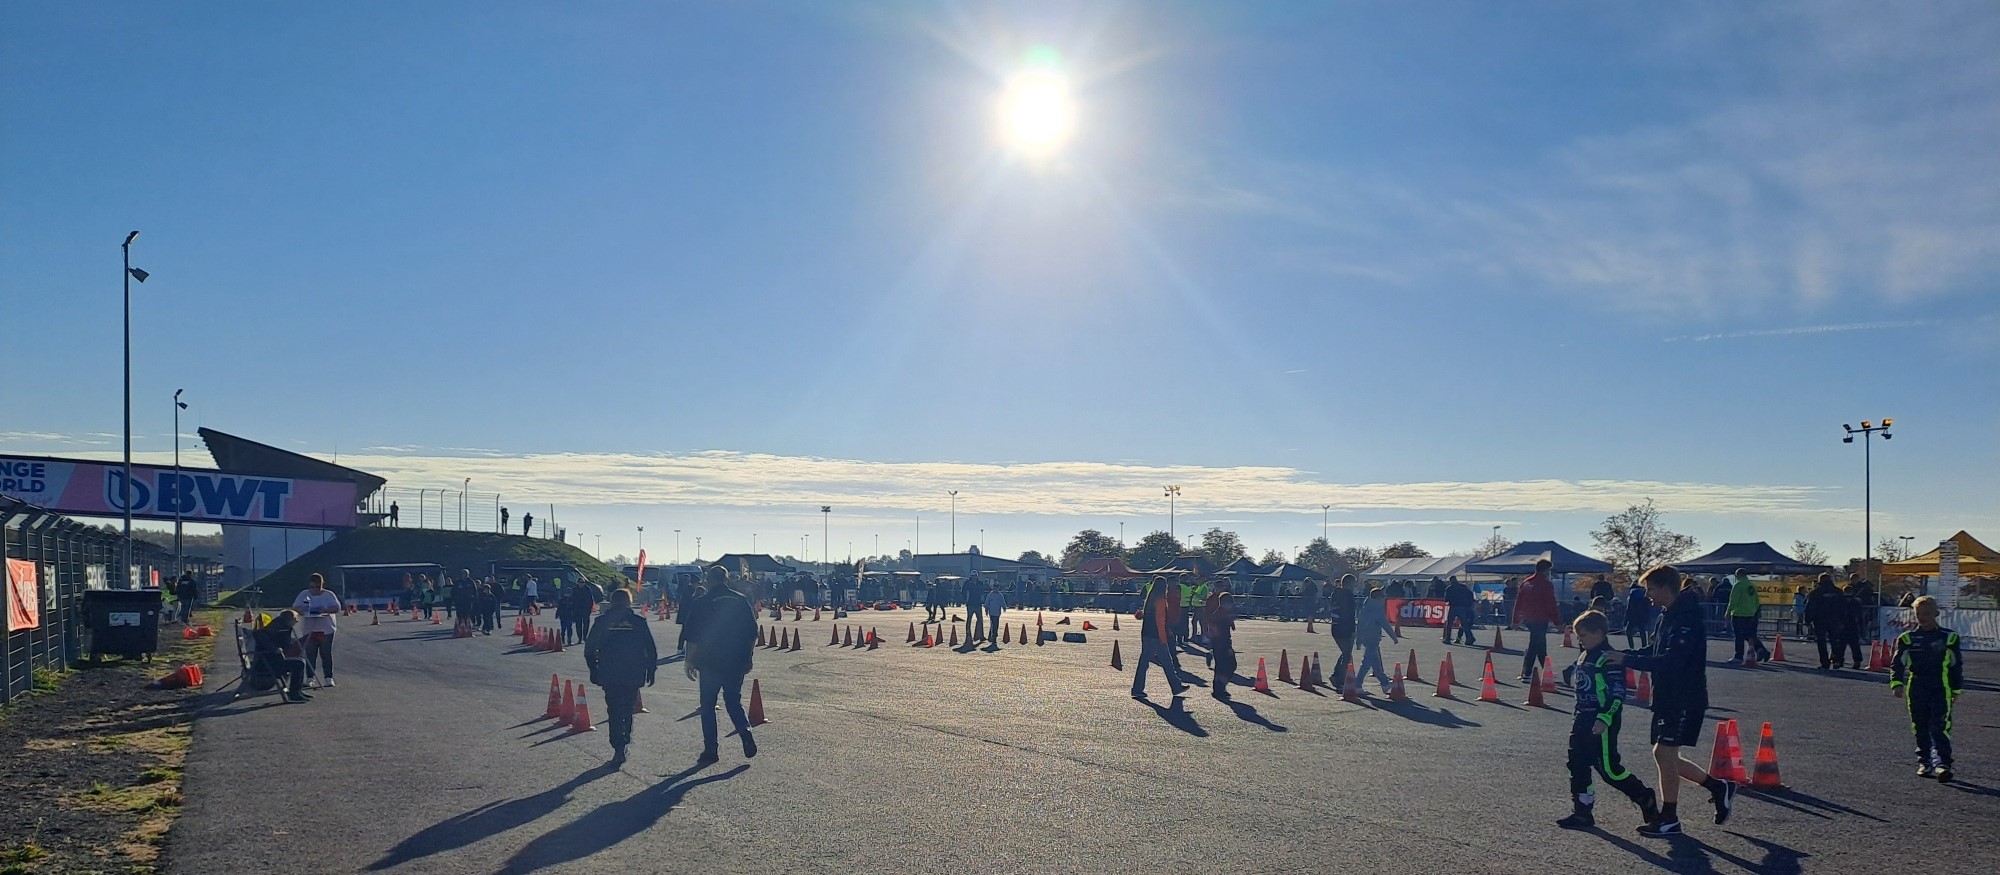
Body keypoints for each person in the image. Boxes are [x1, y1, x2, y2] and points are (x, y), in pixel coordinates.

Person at [1604, 565, 1735, 838]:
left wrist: (1627, 660)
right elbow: (1654, 650)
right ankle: (1718, 787)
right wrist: (1619, 655)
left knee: (1664, 754)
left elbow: (1672, 661)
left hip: (1684, 698)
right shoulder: (1668, 615)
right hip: (1667, 697)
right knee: (1664, 755)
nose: (1647, 595)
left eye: (1650, 589)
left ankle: (1670, 818)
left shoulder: (1686, 618)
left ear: (1665, 588)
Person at [1557, 610, 1659, 830]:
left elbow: (1617, 694)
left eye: (1583, 635)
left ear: (1599, 633)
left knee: (1609, 769)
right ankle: (1582, 812)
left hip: (1601, 720)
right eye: (1577, 636)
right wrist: (1569, 672)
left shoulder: (1608, 658)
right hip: (1582, 717)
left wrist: (1605, 718)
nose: (1579, 640)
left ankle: (1644, 797)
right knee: (1577, 763)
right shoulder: (1585, 654)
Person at [682, 566, 758, 767]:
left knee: (708, 706)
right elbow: (752, 633)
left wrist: (689, 660)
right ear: (726, 579)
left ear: (708, 580)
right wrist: (748, 657)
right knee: (733, 701)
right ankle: (745, 732)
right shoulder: (740, 600)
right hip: (735, 660)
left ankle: (711, 750)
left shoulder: (702, 602)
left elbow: (692, 636)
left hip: (710, 661)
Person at [1891, 596, 1964, 782]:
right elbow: (1897, 663)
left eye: (1926, 614)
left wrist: (1956, 690)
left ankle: (1942, 764)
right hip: (1917, 686)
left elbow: (1956, 666)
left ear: (1936, 614)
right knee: (1920, 725)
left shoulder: (1949, 637)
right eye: (1918, 614)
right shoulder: (1907, 638)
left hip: (1941, 687)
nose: (1922, 617)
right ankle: (1925, 761)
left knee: (1940, 725)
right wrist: (1897, 683)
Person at [585, 587, 658, 763]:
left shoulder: (602, 621)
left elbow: (589, 649)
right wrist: (651, 670)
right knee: (628, 708)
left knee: (613, 708)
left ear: (611, 602)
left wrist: (593, 669)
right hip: (633, 671)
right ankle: (624, 739)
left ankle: (617, 743)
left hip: (609, 670)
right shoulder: (638, 622)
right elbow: (650, 648)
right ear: (629, 602)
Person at [1131, 576, 1187, 701]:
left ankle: (1138, 688)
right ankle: (1175, 686)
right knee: (1167, 661)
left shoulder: (1149, 600)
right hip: (1156, 635)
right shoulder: (1161, 600)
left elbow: (1144, 615)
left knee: (1145, 662)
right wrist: (1163, 637)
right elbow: (1160, 620)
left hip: (1146, 633)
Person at [1515, 559, 1561, 683]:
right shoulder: (1546, 585)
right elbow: (1551, 604)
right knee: (1534, 645)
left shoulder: (1526, 582)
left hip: (1528, 618)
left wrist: (1516, 619)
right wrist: (1557, 622)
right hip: (1540, 618)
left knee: (1540, 645)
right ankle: (1527, 673)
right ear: (1546, 570)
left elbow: (1519, 602)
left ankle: (1546, 670)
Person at [291, 573, 341, 688]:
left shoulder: (329, 595)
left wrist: (326, 609)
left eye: (318, 587)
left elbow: (337, 607)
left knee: (325, 653)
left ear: (322, 585)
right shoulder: (304, 594)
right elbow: (295, 607)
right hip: (309, 628)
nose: (315, 590)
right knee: (310, 654)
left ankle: (328, 677)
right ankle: (310, 678)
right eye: (312, 587)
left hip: (326, 629)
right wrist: (301, 610)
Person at [253, 610, 312, 703]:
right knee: (299, 663)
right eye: (295, 619)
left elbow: (284, 642)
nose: (297, 621)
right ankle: (294, 693)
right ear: (288, 619)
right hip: (268, 664)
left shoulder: (283, 626)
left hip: (275, 660)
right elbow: (258, 634)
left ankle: (298, 691)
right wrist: (274, 648)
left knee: (300, 660)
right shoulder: (276, 626)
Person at [1356, 587, 1401, 693]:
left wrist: (1358, 640)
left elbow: (1359, 625)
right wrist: (1394, 637)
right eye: (1382, 597)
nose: (1384, 599)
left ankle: (1385, 683)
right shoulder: (1378, 610)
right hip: (1373, 638)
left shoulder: (1365, 607)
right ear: (1378, 598)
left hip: (1365, 638)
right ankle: (1357, 685)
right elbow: (1386, 625)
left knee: (1375, 663)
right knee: (1366, 663)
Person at [1724, 569, 1768, 665]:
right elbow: (1757, 600)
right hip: (1750, 614)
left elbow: (1733, 600)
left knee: (1739, 636)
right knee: (1749, 634)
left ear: (1738, 575)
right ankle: (1760, 649)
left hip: (1739, 614)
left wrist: (1728, 612)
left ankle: (1738, 656)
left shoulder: (1738, 585)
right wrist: (1753, 610)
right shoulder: (1751, 585)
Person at [1327, 574, 1358, 686]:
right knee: (1347, 654)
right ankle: (1338, 677)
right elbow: (1349, 614)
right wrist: (1353, 630)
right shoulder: (1348, 596)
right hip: (1345, 627)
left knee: (1346, 653)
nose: (1355, 585)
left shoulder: (1335, 594)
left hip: (1335, 626)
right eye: (1354, 583)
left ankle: (1337, 675)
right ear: (1349, 583)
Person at [1207, 591, 1238, 699]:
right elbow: (1221, 633)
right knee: (1229, 666)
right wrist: (1227, 647)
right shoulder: (1221, 615)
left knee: (1221, 667)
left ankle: (1219, 688)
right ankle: (1220, 687)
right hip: (1222, 644)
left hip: (1218, 644)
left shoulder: (1221, 613)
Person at [1443, 576, 1476, 646]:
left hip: (1453, 607)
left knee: (1449, 623)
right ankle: (1469, 637)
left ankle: (1448, 638)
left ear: (1451, 581)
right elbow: (1470, 594)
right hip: (1462, 607)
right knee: (1465, 624)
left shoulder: (1449, 588)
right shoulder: (1463, 587)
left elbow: (1446, 599)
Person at [1623, 581, 1651, 650]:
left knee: (1628, 631)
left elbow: (1629, 607)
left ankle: (1631, 647)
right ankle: (1644, 646)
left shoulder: (1632, 593)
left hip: (1633, 615)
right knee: (1642, 631)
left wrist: (1626, 620)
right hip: (1643, 615)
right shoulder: (1645, 593)